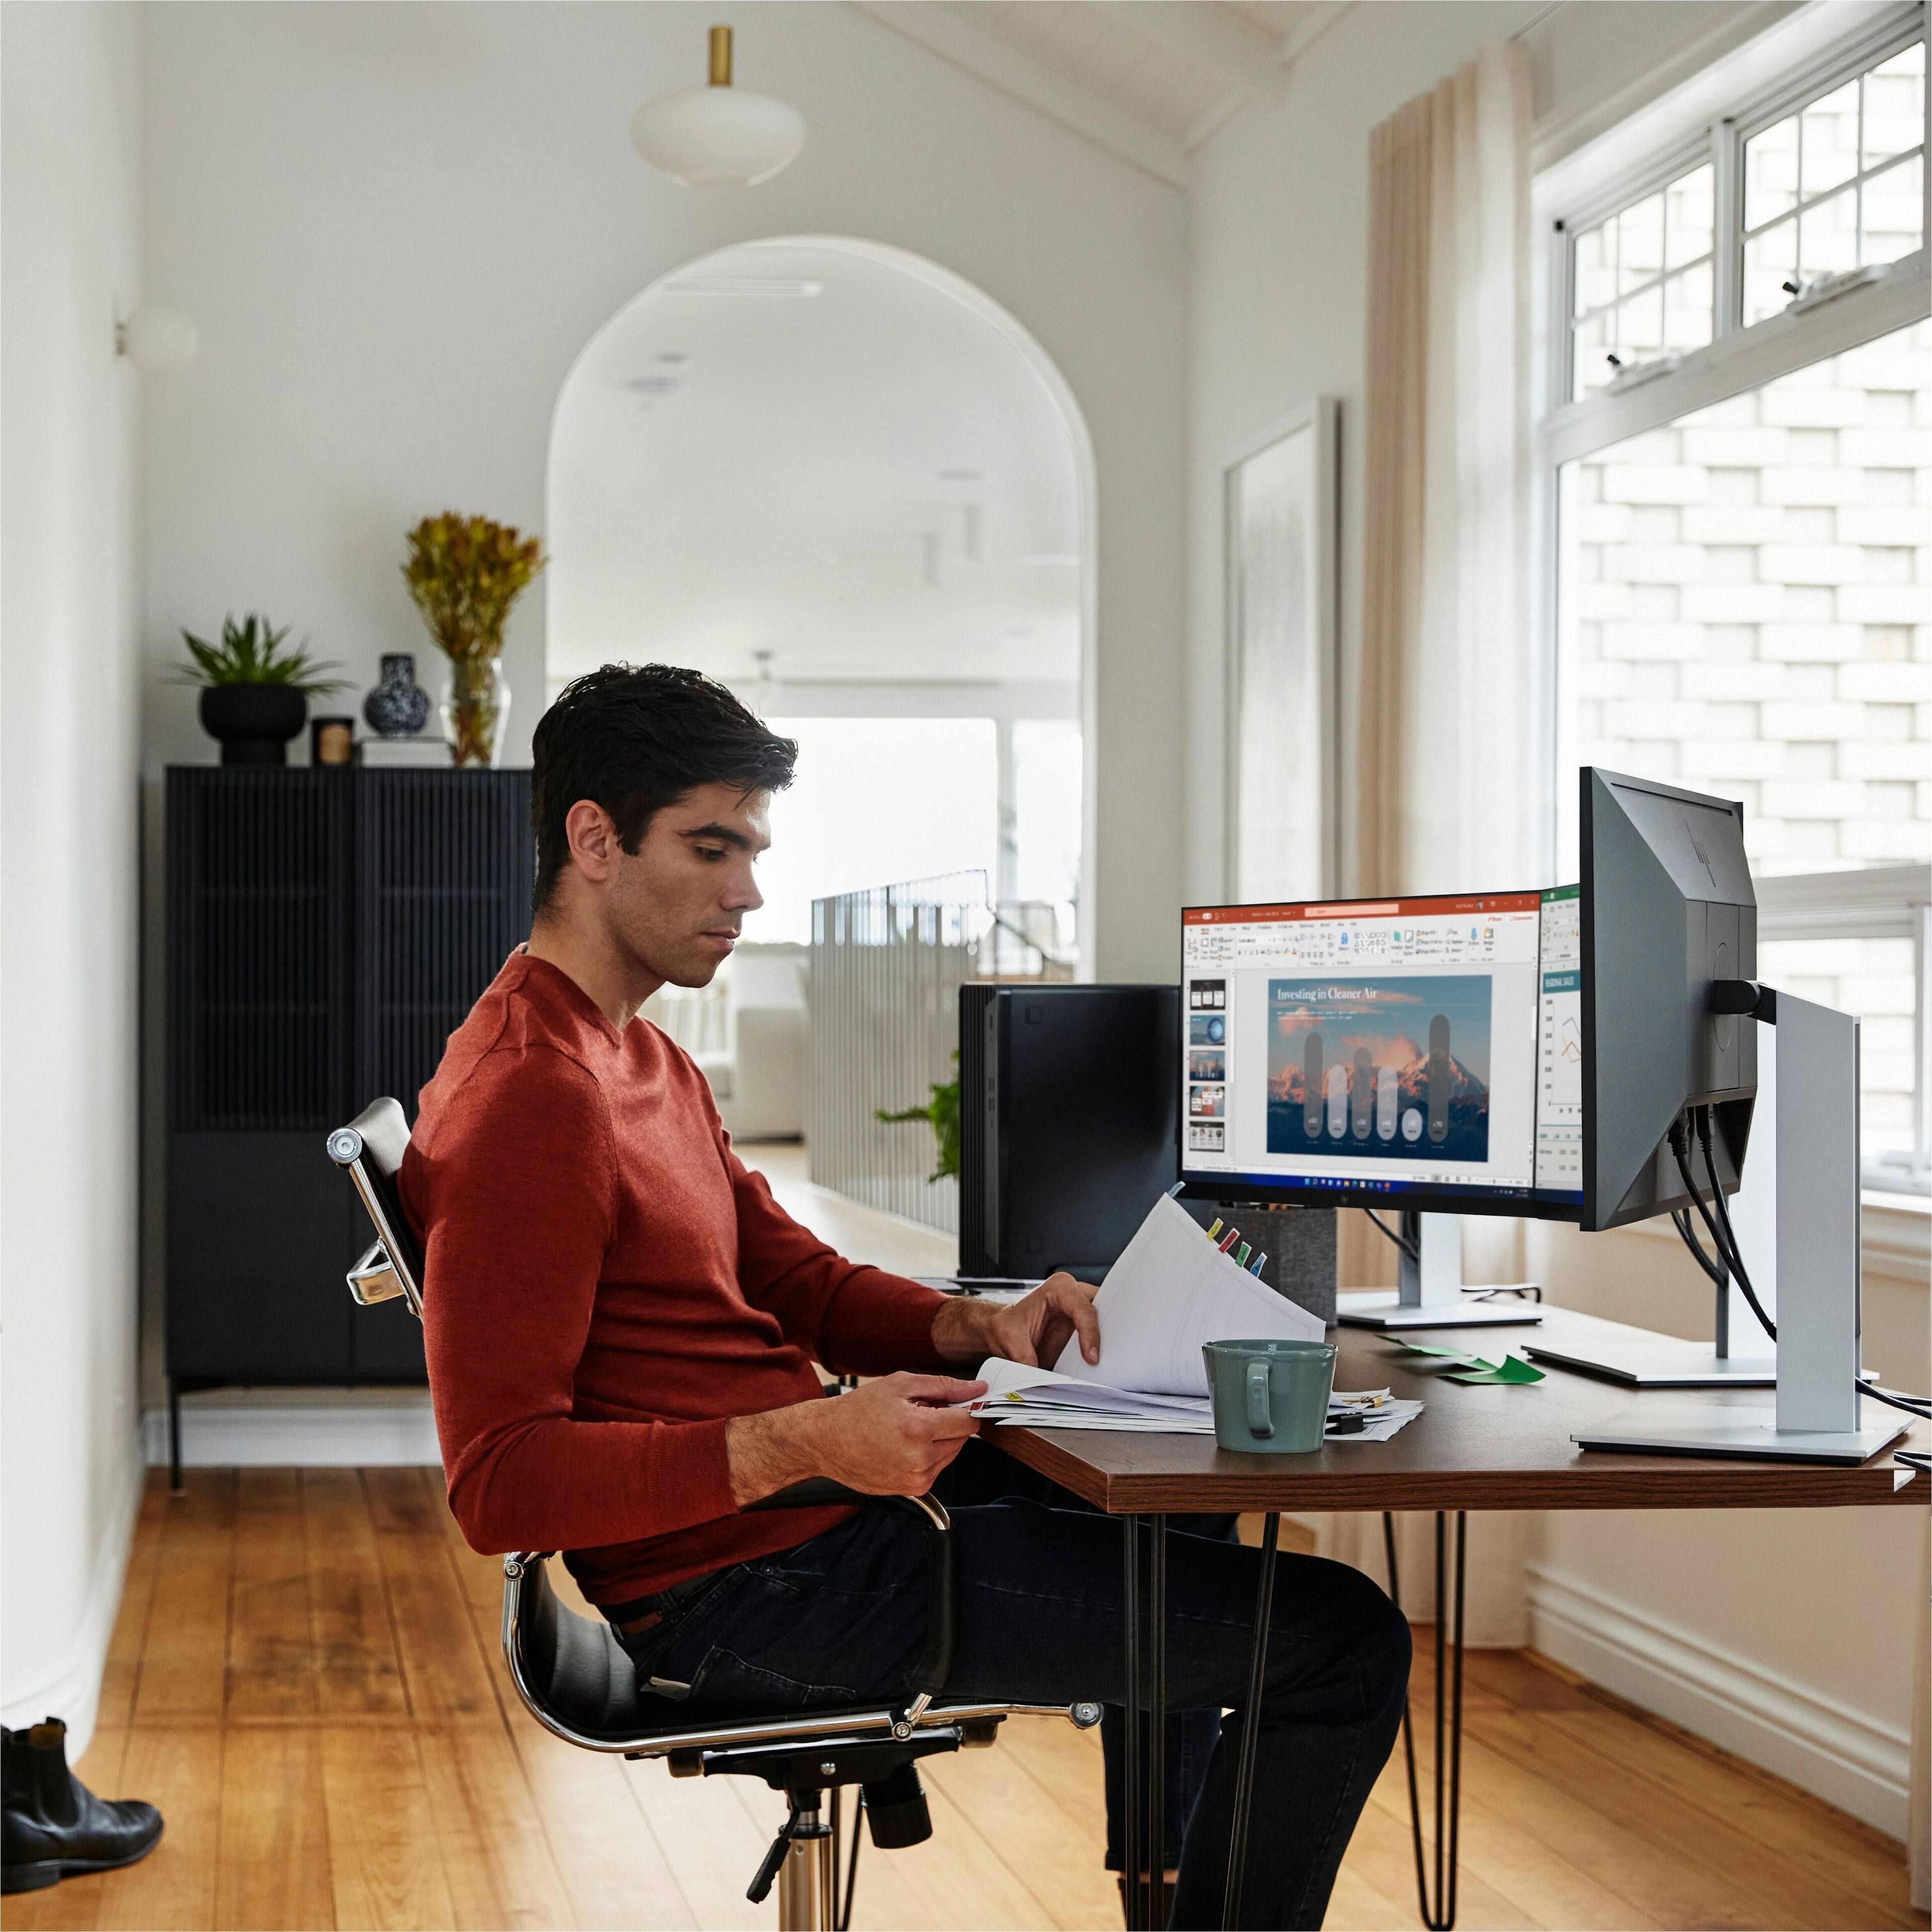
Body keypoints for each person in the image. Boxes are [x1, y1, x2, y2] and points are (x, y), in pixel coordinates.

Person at [403, 664, 1410, 1929]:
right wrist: (803, 1439)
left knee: (1186, 1516)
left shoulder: (640, 1053)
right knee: (1342, 1642)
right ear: (592, 840)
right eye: (711, 849)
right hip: (757, 1594)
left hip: (809, 1525)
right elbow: (499, 1484)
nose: (747, 891)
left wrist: (973, 1326)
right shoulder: (531, 1099)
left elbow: (794, 1281)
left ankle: (1167, 1901)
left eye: (754, 849)